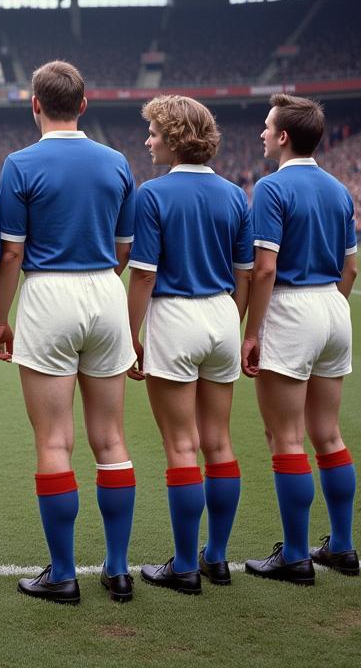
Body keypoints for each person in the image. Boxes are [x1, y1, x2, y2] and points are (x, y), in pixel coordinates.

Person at [0, 60, 137, 604]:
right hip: (104, 289)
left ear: (34, 105)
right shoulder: (117, 161)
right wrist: (102, 281)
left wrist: (1, 318)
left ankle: (63, 573)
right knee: (112, 438)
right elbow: (125, 247)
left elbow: (11, 251)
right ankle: (118, 571)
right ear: (83, 104)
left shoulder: (21, 163)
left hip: (47, 294)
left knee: (55, 441)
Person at [126, 96, 252, 595]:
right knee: (218, 441)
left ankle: (183, 565)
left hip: (174, 314)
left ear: (176, 137)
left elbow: (143, 277)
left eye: (154, 132)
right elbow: (245, 272)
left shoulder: (152, 194)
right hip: (223, 314)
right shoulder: (236, 195)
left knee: (182, 445)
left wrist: (130, 335)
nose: (148, 139)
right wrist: (232, 322)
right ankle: (216, 559)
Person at [242, 93, 359, 584]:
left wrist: (251, 331)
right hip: (334, 306)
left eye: (268, 127)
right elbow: (351, 267)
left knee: (285, 437)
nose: (263, 134)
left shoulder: (271, 188)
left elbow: (264, 268)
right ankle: (343, 547)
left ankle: (294, 556)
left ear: (284, 136)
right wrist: (332, 308)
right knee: (328, 434)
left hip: (291, 307)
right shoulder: (339, 189)